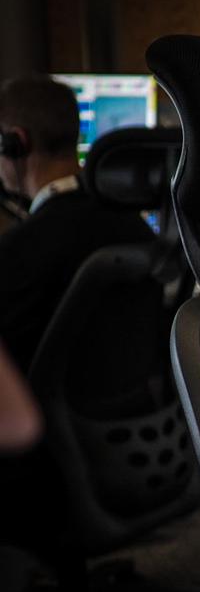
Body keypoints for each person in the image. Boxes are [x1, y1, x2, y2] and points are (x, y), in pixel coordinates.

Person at [0, 77, 156, 374]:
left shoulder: (21, 250)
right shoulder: (134, 224)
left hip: (45, 418)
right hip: (139, 411)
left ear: (17, 142)